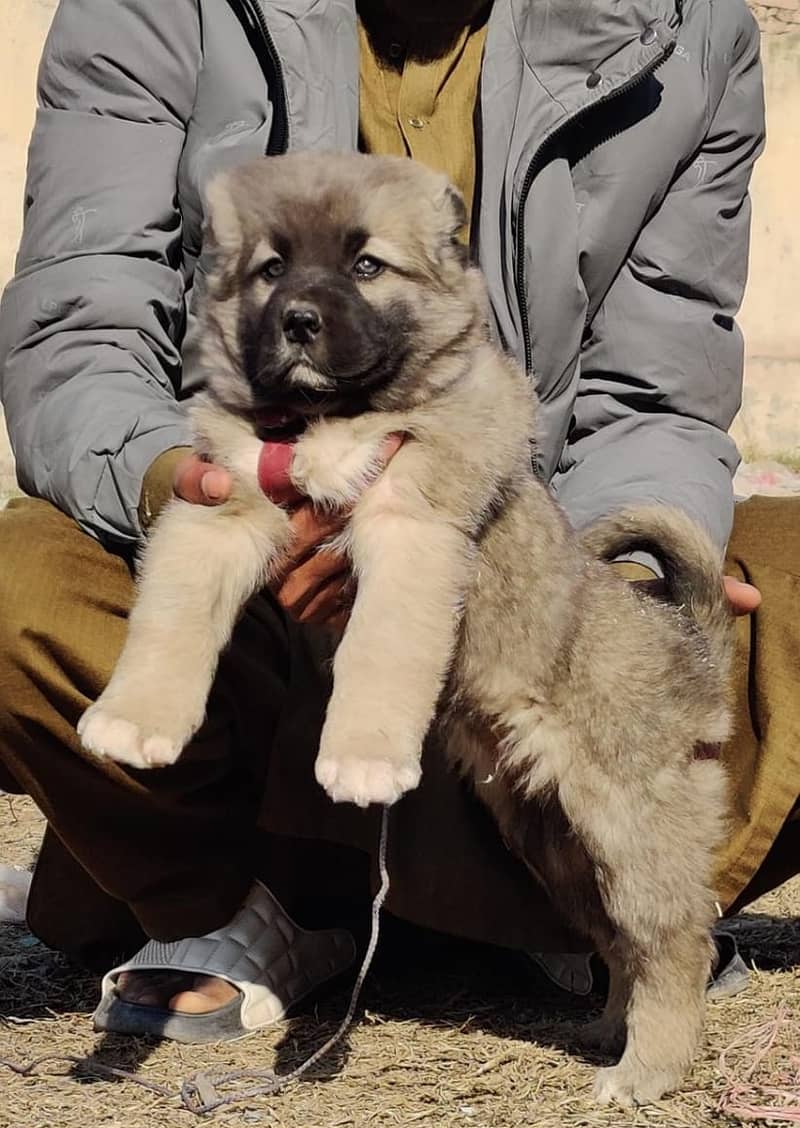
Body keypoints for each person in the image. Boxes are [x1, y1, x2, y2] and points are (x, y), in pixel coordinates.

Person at [0, 0, 797, 1041]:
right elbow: (82, 319)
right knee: (25, 590)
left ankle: (558, 888)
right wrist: (205, 491)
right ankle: (240, 901)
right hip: (249, 531)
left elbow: (652, 394)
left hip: (525, 565)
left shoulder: (688, 31)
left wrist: (605, 617)